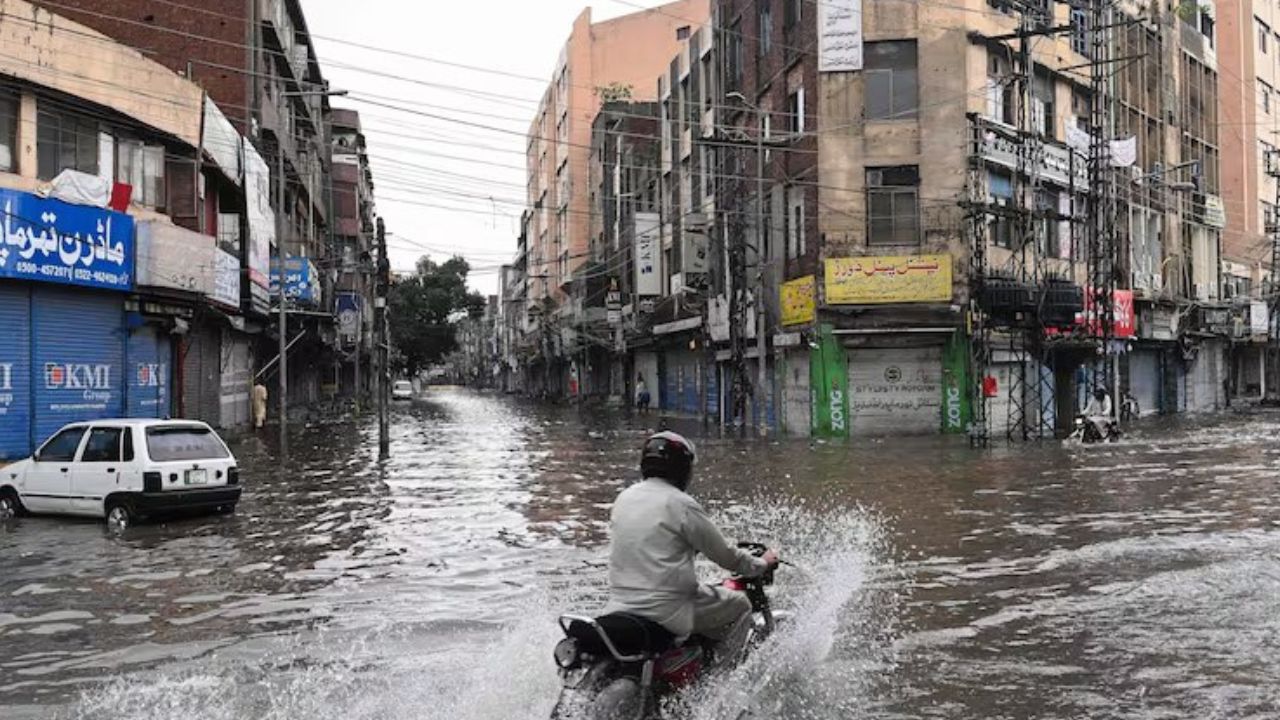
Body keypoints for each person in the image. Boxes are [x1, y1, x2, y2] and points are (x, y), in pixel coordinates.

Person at [605, 430, 779, 666]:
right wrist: (762, 563)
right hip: (668, 611)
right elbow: (727, 557)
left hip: (619, 607)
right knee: (740, 605)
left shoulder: (624, 498)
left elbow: (647, 542)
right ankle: (721, 681)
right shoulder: (682, 504)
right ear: (683, 468)